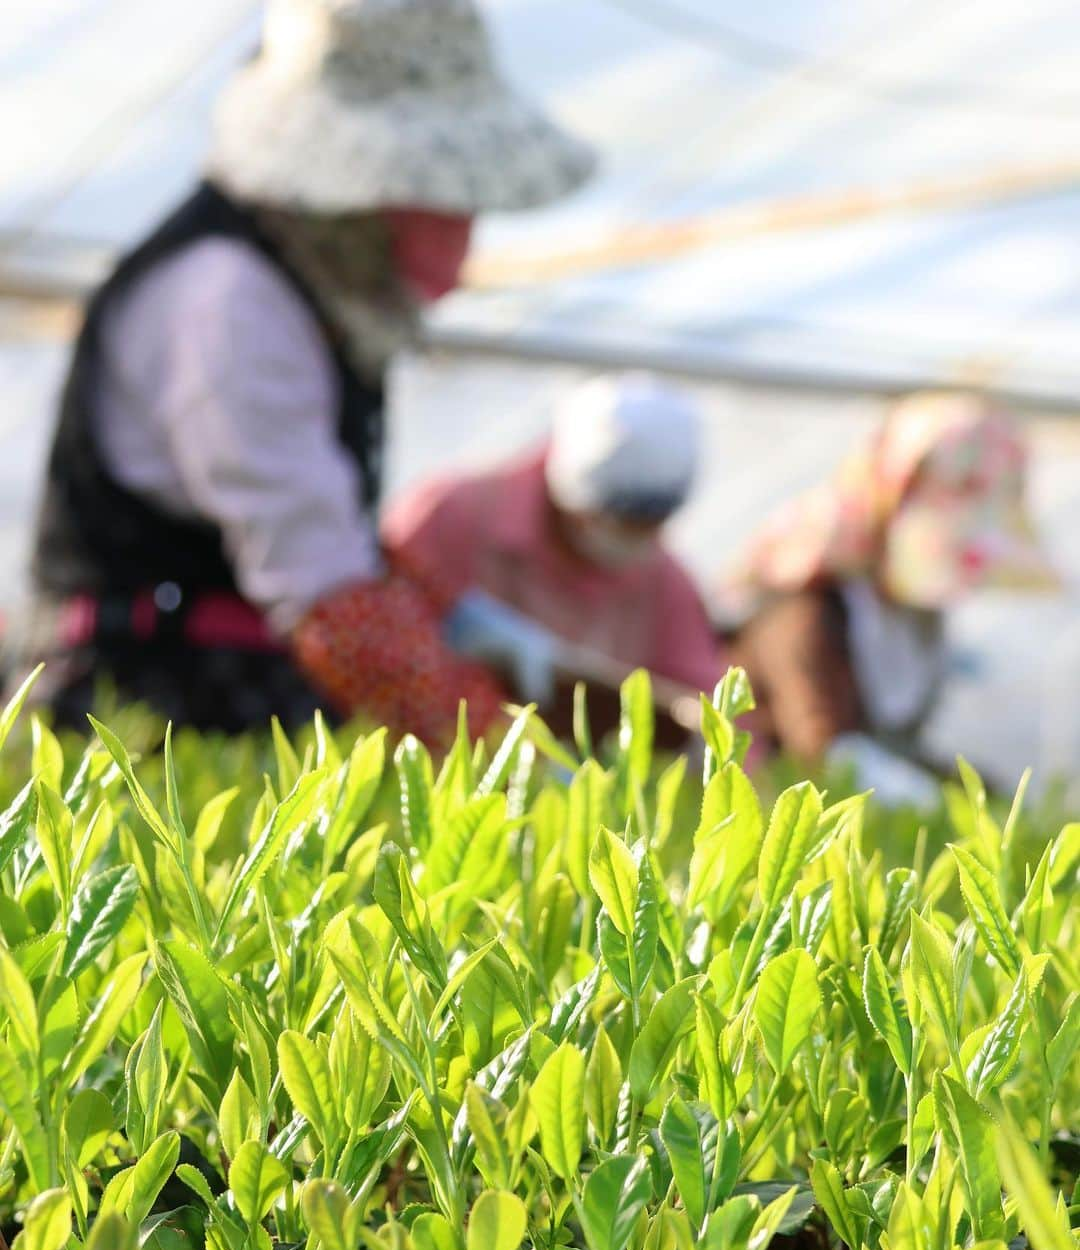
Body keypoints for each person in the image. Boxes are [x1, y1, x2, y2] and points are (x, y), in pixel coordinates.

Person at [10, 0, 593, 743]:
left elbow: (331, 536)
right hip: (140, 711)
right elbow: (325, 593)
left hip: (224, 691)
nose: (457, 223)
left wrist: (449, 617)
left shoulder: (299, 292)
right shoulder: (231, 298)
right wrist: (499, 752)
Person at [718, 392, 1058, 804]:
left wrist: (982, 793)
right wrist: (931, 801)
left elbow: (896, 746)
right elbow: (823, 753)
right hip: (770, 815)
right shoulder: (804, 612)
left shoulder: (914, 617)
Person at [382, 372, 723, 740]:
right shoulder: (451, 516)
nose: (635, 539)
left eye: (651, 523)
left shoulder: (665, 581)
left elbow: (709, 710)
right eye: (618, 519)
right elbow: (374, 633)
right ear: (570, 490)